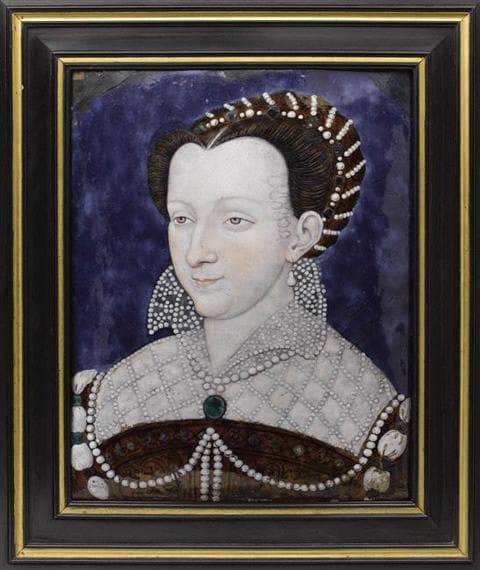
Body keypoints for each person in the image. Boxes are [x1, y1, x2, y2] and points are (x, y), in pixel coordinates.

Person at [71, 90, 410, 502]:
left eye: (234, 220)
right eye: (182, 218)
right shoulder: (113, 391)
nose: (197, 253)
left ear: (301, 235)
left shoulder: (367, 403)